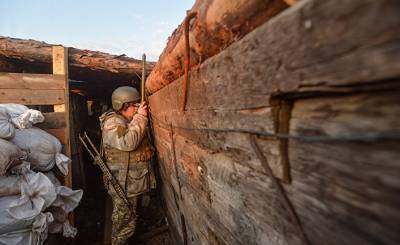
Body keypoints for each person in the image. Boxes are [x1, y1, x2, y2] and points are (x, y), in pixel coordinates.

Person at [99, 86, 154, 245]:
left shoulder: (124, 120)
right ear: (122, 106)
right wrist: (141, 118)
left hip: (129, 182)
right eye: (134, 105)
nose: (137, 108)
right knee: (123, 225)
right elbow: (128, 142)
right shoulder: (113, 122)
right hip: (123, 184)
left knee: (129, 219)